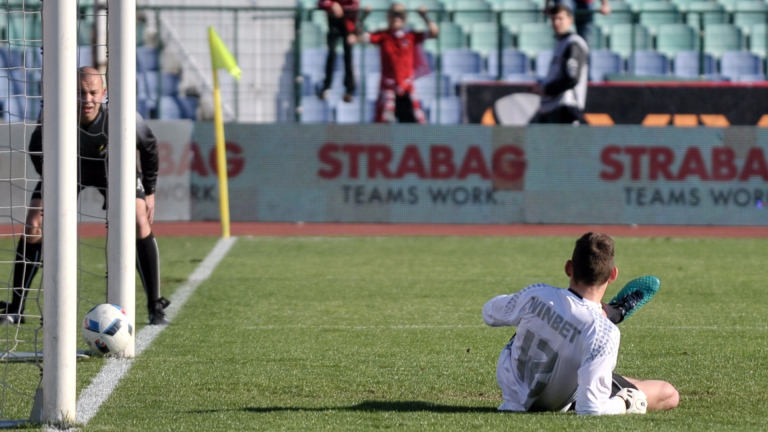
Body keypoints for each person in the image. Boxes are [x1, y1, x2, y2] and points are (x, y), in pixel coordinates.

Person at [0, 66, 171, 326]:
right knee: (34, 223)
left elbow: (149, 146)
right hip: (69, 172)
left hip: (114, 170)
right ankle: (17, 308)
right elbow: (36, 148)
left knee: (139, 219)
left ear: (103, 93)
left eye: (92, 92)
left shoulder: (122, 116)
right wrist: (55, 179)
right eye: (80, 92)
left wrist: (149, 192)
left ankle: (154, 306)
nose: (87, 99)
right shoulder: (55, 113)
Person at [483, 232, 679, 414]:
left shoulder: (537, 294)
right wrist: (625, 403)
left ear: (569, 267)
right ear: (613, 275)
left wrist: (530, 305)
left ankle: (607, 311)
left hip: (513, 390)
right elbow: (591, 408)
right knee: (669, 393)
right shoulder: (605, 333)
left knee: (532, 321)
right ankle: (608, 312)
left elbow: (489, 313)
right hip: (559, 401)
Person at [362, 4, 437, 123]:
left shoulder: (411, 36)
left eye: (400, 15)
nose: (397, 18)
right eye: (394, 15)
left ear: (405, 17)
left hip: (407, 86)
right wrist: (363, 17)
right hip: (388, 87)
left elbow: (434, 33)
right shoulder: (383, 36)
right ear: (388, 17)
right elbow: (359, 36)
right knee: (384, 119)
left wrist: (424, 16)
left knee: (417, 120)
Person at [533, 4, 589, 125]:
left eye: (560, 19)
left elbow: (572, 78)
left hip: (567, 108)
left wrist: (546, 89)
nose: (556, 23)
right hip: (553, 107)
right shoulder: (561, 42)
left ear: (570, 20)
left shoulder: (574, 44)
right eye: (553, 19)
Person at [317, 0, 360, 103]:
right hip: (334, 25)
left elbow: (354, 8)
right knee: (331, 54)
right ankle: (326, 86)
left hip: (348, 27)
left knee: (348, 57)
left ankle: (349, 90)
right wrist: (333, 5)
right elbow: (321, 3)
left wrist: (353, 32)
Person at [545, 0, 610, 45]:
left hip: (585, 4)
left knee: (584, 41)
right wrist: (547, 4)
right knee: (562, 11)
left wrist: (604, 4)